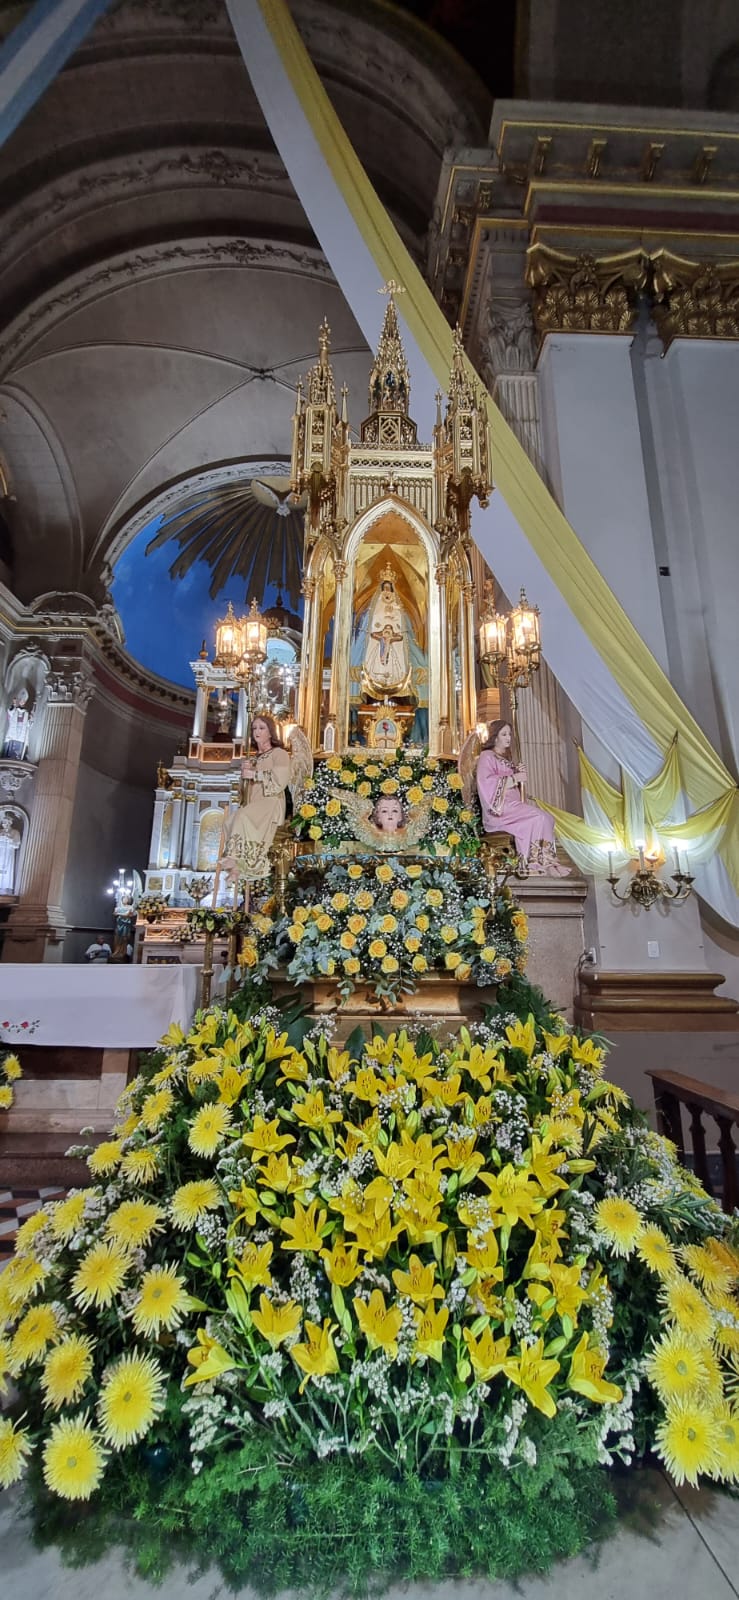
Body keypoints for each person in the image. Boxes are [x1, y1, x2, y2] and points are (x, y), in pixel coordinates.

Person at [476, 720, 570, 876]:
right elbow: (486, 783)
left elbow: (515, 785)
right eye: (504, 734)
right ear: (495, 737)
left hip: (514, 805)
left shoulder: (507, 759)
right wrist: (514, 778)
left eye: (509, 734)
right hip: (501, 808)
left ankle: (547, 861)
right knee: (540, 817)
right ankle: (535, 863)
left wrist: (518, 775)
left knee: (547, 818)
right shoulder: (487, 756)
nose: (508, 738)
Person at [220, 714, 291, 885]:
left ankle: (233, 858)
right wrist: (244, 775)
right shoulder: (252, 758)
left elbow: (281, 778)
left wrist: (255, 774)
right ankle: (237, 868)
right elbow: (243, 792)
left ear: (270, 732)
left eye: (261, 728)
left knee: (242, 816)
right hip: (255, 802)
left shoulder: (279, 753)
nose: (257, 731)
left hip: (271, 801)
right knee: (229, 821)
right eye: (254, 728)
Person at [3, 689, 31, 760]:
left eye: (23, 701)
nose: (22, 702)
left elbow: (28, 725)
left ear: (25, 702)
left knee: (19, 747)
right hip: (13, 731)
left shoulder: (26, 713)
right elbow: (10, 712)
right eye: (21, 700)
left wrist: (31, 720)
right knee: (11, 744)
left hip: (22, 733)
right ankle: (8, 757)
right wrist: (13, 704)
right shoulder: (15, 710)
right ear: (19, 701)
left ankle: (18, 758)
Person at [0, 812, 20, 894]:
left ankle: (5, 889)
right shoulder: (0, 831)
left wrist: (9, 839)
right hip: (0, 852)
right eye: (3, 822)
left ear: (10, 823)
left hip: (8, 854)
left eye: (6, 822)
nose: (4, 824)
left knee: (7, 871)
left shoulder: (15, 832)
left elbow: (16, 845)